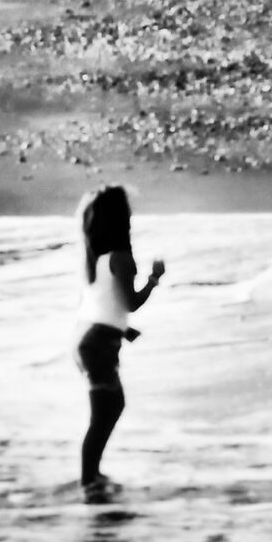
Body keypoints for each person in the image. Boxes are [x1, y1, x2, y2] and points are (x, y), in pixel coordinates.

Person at [74, 185, 165, 489]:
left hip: (86, 340)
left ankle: (92, 478)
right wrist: (154, 279)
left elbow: (102, 303)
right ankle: (90, 481)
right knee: (106, 411)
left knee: (109, 407)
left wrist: (123, 329)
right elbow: (130, 303)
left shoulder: (96, 258)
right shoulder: (122, 259)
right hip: (98, 344)